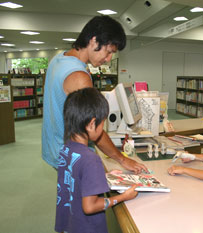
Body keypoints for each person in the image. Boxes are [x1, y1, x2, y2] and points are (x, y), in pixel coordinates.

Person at [42, 15, 147, 173]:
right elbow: (93, 129)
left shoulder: (59, 58)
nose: (109, 59)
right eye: (109, 51)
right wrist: (122, 159)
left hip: (55, 149)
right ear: (94, 41)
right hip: (74, 156)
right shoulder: (79, 76)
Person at [55, 87, 138, 233]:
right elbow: (90, 207)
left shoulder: (66, 149)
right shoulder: (91, 159)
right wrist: (123, 197)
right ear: (92, 124)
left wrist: (102, 176)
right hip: (87, 227)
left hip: (71, 223)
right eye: (103, 123)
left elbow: (74, 178)